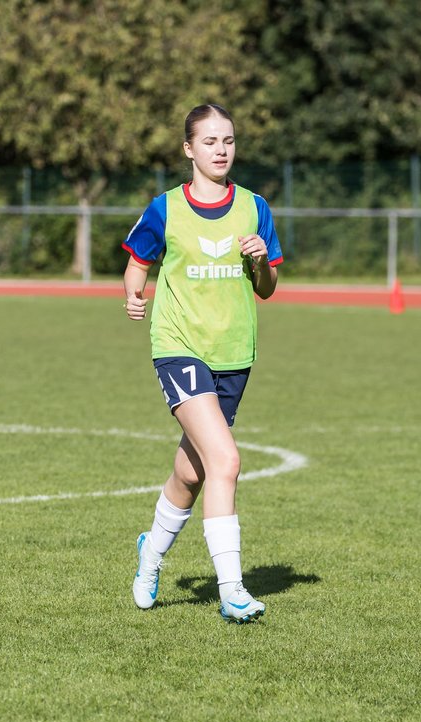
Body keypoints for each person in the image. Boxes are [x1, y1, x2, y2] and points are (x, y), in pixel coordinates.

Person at [120, 103, 283, 622]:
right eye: (210, 141)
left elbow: (268, 289)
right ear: (189, 149)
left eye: (228, 140)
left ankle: (150, 555)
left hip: (234, 354)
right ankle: (231, 590)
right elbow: (138, 262)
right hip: (178, 345)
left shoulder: (256, 207)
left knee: (190, 473)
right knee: (226, 461)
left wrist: (260, 262)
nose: (221, 150)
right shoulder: (166, 207)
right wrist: (134, 294)